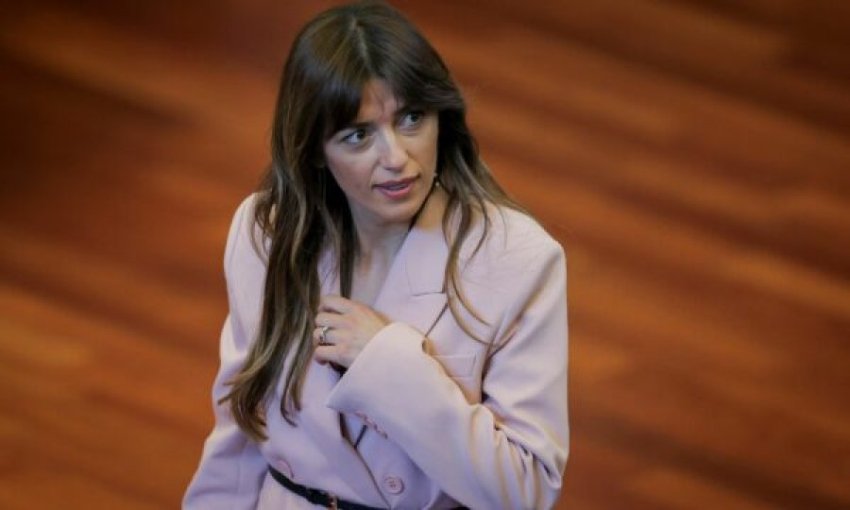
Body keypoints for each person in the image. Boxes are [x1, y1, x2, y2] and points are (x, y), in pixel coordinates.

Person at [183, 1, 568, 508]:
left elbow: (525, 491)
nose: (396, 159)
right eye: (359, 135)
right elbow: (240, 429)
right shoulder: (264, 231)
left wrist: (386, 364)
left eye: (411, 119)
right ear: (313, 151)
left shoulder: (519, 259)